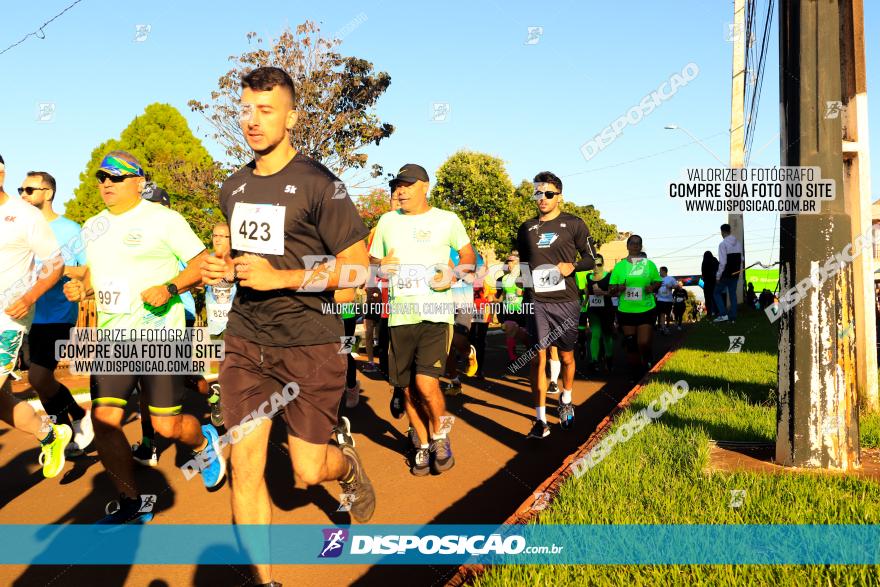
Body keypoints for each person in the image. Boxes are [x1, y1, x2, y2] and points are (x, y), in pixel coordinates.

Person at [200, 66, 375, 585]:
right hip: (246, 342)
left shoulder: (324, 185)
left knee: (304, 472)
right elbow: (244, 261)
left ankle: (344, 463)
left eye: (266, 110)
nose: (252, 121)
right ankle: (264, 580)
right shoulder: (232, 187)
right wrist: (221, 269)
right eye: (246, 109)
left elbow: (358, 271)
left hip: (312, 344)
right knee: (246, 473)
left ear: (292, 116)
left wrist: (285, 278)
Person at [63, 151, 224, 525]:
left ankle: (203, 441)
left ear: (138, 182)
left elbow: (202, 264)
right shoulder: (92, 227)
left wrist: (170, 287)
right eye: (101, 177)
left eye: (115, 178)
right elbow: (92, 276)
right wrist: (81, 289)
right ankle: (131, 500)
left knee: (166, 426)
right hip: (112, 340)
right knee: (104, 420)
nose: (105, 183)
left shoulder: (165, 220)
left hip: (159, 337)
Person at [369, 163, 474, 475]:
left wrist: (453, 273)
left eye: (407, 185)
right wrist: (380, 265)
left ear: (425, 186)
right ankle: (423, 444)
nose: (400, 191)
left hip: (436, 314)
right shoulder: (387, 221)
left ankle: (440, 437)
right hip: (400, 316)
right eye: (397, 185)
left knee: (425, 384)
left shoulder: (447, 220)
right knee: (405, 388)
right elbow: (372, 259)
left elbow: (468, 257)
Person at [0, 153, 71, 478]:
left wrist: (29, 297)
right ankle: (49, 432)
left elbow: (55, 264)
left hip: (8, 320)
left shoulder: (23, 216)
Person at [18, 170, 94, 457]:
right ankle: (73, 419)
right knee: (39, 381)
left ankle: (65, 426)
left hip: (57, 315)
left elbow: (86, 270)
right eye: (21, 190)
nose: (23, 194)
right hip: (25, 316)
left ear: (48, 193)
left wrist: (53, 269)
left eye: (29, 189)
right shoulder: (21, 227)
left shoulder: (70, 229)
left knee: (38, 378)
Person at [516, 171, 596, 439]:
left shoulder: (574, 224)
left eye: (548, 193)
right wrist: (523, 282)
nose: (542, 198)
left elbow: (591, 258)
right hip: (536, 301)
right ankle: (539, 420)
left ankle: (566, 398)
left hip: (566, 300)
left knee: (566, 357)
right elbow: (524, 264)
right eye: (538, 193)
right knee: (537, 357)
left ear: (559, 196)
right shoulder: (526, 228)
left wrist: (571, 265)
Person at [609, 234, 662, 383]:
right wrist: (619, 287)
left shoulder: (648, 264)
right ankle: (636, 371)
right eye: (632, 243)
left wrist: (652, 287)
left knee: (643, 343)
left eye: (638, 243)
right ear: (627, 246)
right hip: (626, 310)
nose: (635, 246)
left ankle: (646, 359)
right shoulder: (620, 266)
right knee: (631, 344)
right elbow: (611, 289)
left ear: (641, 246)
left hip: (646, 309)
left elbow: (658, 282)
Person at [203, 222, 236, 428]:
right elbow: (196, 281)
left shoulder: (238, 261)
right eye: (215, 235)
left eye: (222, 236)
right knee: (221, 365)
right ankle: (219, 397)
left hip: (236, 326)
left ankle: (225, 402)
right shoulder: (207, 261)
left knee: (232, 366)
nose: (217, 239)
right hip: (215, 324)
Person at [585, 255, 615, 373]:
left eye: (599, 265)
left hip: (607, 310)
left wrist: (603, 292)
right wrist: (584, 303)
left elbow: (614, 293)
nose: (596, 267)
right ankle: (594, 361)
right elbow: (588, 291)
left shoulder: (609, 276)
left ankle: (609, 360)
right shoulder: (589, 277)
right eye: (594, 265)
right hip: (593, 310)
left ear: (603, 264)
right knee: (595, 334)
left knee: (607, 335)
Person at [496, 253, 524, 366]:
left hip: (522, 309)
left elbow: (533, 293)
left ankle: (532, 353)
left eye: (513, 262)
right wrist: (499, 310)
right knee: (509, 332)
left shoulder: (524, 277)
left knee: (524, 334)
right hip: (509, 310)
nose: (510, 265)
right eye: (508, 262)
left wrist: (523, 292)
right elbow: (502, 294)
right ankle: (513, 358)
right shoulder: (504, 279)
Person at [713, 224, 743, 323]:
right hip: (736, 273)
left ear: (722, 232)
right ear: (729, 231)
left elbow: (723, 262)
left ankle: (723, 314)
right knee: (732, 295)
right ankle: (733, 317)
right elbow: (741, 258)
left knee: (716, 293)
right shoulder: (738, 243)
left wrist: (718, 276)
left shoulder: (723, 244)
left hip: (726, 274)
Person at [655, 266, 677, 335]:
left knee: (668, 314)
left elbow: (676, 286)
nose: (659, 272)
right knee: (661, 313)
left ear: (664, 271)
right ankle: (663, 327)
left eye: (660, 271)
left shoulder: (671, 279)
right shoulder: (658, 279)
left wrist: (670, 286)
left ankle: (667, 327)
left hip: (668, 300)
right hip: (660, 299)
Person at [701, 251, 719, 318]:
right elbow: (719, 268)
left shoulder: (704, 262)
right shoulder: (714, 260)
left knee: (708, 298)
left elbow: (703, 274)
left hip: (707, 283)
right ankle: (717, 312)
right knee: (715, 297)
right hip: (715, 282)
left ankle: (709, 313)